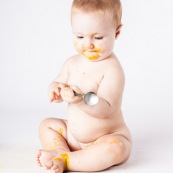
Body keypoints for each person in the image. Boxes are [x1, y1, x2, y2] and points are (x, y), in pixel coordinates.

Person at [36, 0, 132, 172]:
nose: (88, 44)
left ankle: (66, 160)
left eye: (98, 37)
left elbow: (107, 109)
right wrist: (55, 90)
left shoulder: (112, 70)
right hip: (74, 136)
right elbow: (58, 82)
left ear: (116, 32)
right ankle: (60, 150)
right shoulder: (72, 63)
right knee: (47, 125)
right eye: (80, 36)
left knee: (117, 147)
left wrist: (79, 101)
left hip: (105, 137)